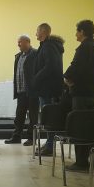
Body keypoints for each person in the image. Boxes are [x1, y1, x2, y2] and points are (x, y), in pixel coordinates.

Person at [64, 19, 94, 171]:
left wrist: (67, 79)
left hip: (81, 94)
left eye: (77, 31)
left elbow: (75, 67)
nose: (75, 34)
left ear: (82, 32)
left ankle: (81, 162)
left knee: (80, 127)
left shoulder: (83, 48)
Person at [32, 23, 65, 155]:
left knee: (49, 118)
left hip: (48, 88)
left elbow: (50, 66)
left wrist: (36, 78)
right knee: (48, 117)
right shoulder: (48, 45)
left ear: (43, 32)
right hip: (48, 87)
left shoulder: (49, 46)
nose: (35, 34)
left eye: (37, 31)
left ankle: (50, 146)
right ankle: (49, 143)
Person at [5, 34, 38, 146]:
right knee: (19, 115)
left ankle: (31, 138)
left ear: (27, 42)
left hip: (32, 91)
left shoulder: (35, 54)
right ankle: (16, 137)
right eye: (18, 42)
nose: (18, 44)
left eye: (20, 42)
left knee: (33, 116)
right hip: (21, 91)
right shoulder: (18, 56)